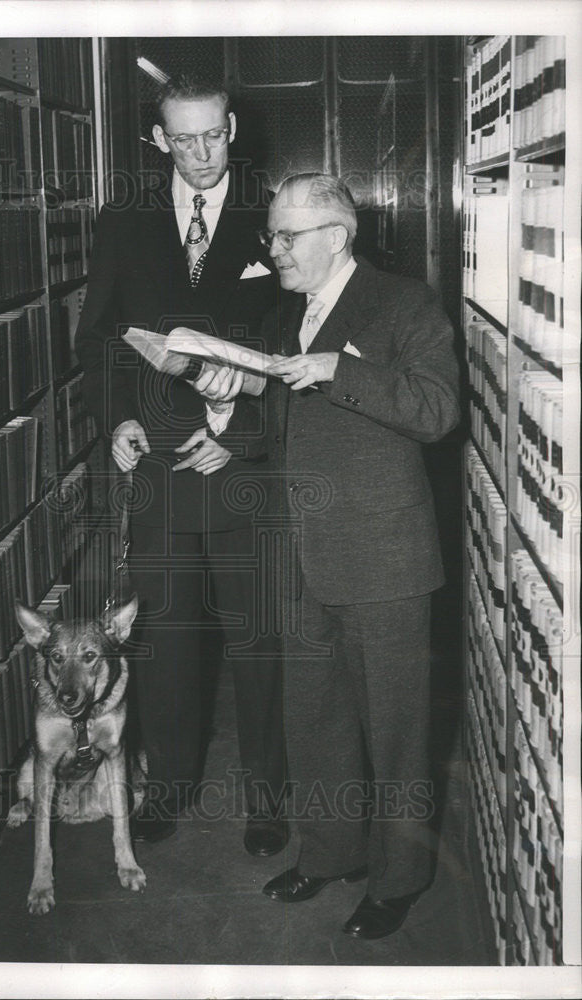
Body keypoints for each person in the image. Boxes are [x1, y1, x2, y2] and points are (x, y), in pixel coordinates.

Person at [74, 74, 288, 855]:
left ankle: (268, 800)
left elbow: (303, 340)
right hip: (159, 464)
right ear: (157, 141)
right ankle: (167, 787)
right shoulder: (124, 219)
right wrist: (117, 418)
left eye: (214, 136)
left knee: (258, 639)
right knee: (165, 638)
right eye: (183, 140)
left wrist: (244, 425)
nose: (201, 154)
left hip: (246, 465)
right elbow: (96, 336)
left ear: (232, 126)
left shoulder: (276, 209)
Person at [255, 173, 460, 939]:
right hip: (305, 554)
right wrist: (223, 393)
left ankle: (399, 877)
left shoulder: (404, 303)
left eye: (286, 236)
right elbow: (288, 426)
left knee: (396, 731)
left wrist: (345, 370)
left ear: (335, 237)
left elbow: (437, 411)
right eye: (271, 235)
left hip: (385, 557)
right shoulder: (286, 314)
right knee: (315, 722)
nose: (272, 250)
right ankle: (330, 851)